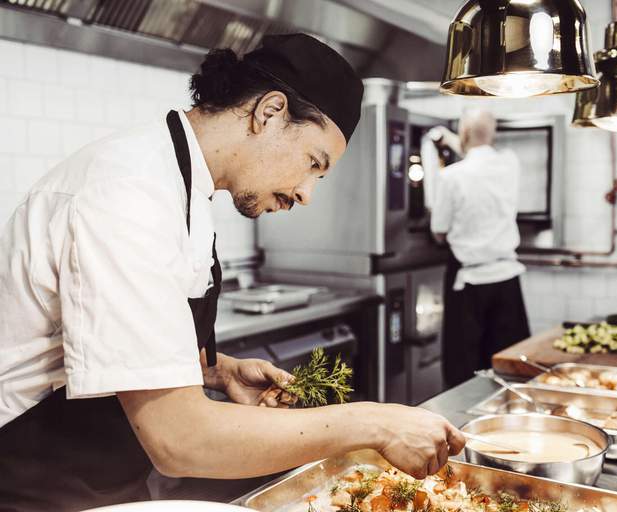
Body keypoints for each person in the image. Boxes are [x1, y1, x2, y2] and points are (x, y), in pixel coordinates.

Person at [0, 34, 464, 512]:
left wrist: (216, 370)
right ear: (270, 111)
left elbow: (107, 339)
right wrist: (375, 423)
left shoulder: (186, 186)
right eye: (312, 164)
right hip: (26, 484)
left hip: (95, 478)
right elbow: (179, 440)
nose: (305, 193)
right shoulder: (126, 193)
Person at [430, 109, 531, 388]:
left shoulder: (451, 177)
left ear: (463, 133)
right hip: (507, 279)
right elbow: (480, 156)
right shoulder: (510, 163)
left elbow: (439, 232)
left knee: (464, 371)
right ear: (494, 133)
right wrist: (453, 139)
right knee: (508, 367)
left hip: (469, 284)